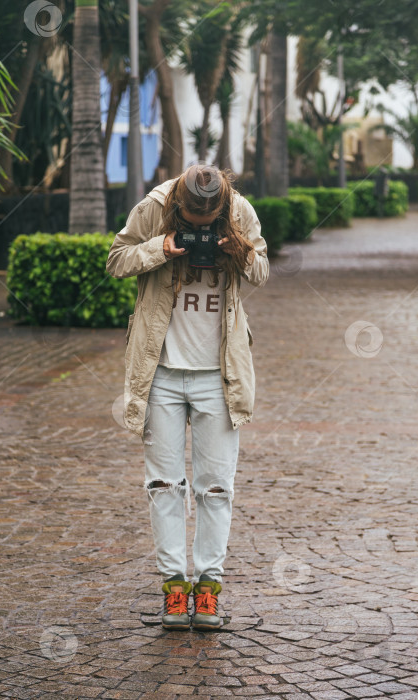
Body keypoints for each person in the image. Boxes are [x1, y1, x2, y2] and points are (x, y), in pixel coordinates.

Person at [106, 164, 269, 630]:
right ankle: (175, 589)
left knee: (216, 489)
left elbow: (261, 271)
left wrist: (238, 251)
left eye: (207, 227)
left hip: (219, 376)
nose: (200, 233)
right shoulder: (155, 207)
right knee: (164, 487)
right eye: (193, 227)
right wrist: (160, 249)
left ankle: (209, 590)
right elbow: (116, 260)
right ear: (180, 204)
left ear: (221, 206)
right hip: (159, 373)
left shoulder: (239, 212)